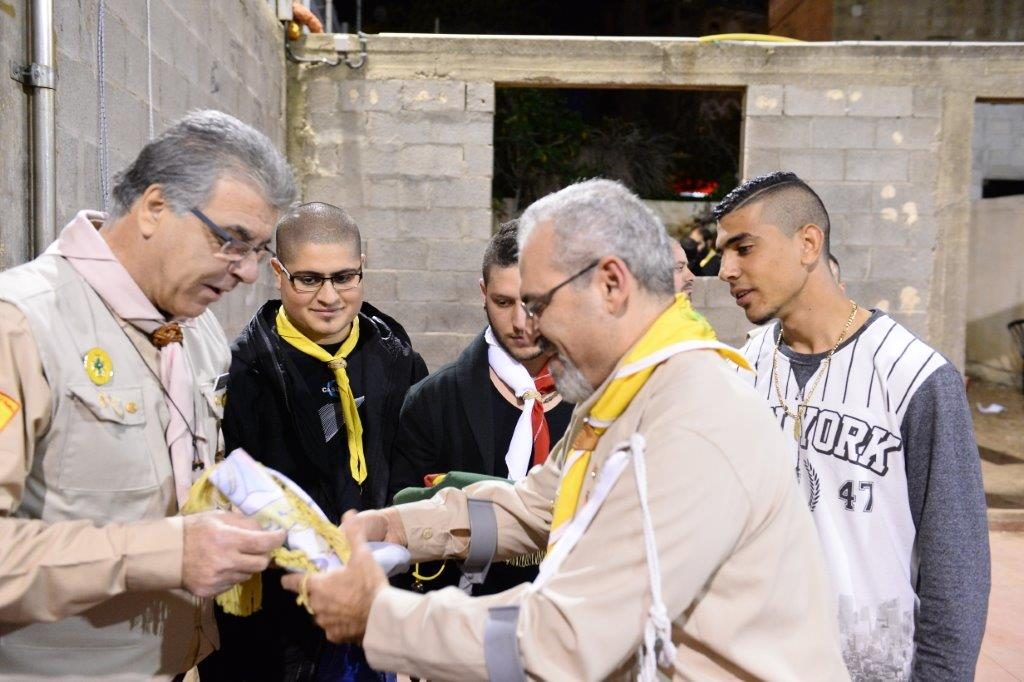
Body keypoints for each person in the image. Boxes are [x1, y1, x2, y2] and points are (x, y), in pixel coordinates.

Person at [282, 179, 849, 681]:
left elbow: (566, 642)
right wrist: (398, 528)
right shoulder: (626, 395)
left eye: (538, 304)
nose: (528, 329)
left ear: (611, 284)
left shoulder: (691, 422)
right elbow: (536, 508)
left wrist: (380, 618)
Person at [0, 110, 292, 677]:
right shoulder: (23, 325)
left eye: (257, 250)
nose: (247, 273)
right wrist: (168, 553)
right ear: (155, 207)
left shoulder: (196, 329)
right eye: (232, 242)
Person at [714, 171, 990, 680]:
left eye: (744, 248)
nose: (726, 270)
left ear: (808, 243)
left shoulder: (915, 375)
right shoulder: (738, 370)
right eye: (722, 253)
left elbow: (957, 566)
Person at [205, 201, 427, 680]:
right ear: (278, 273)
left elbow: (411, 475)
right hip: (277, 624)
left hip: (370, 600)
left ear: (362, 268)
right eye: (308, 279)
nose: (329, 296)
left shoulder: (398, 359)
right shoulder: (244, 373)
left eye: (344, 277)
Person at [389, 220, 574, 595]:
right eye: (503, 303)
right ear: (483, 293)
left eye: (533, 304)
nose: (520, 322)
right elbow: (404, 534)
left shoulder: (602, 396)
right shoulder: (432, 401)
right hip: (463, 608)